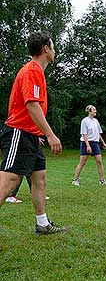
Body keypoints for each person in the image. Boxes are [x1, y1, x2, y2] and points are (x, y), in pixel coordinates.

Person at [0, 31, 66, 234]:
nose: (55, 51)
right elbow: (32, 106)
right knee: (9, 181)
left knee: (40, 178)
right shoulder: (32, 71)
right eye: (53, 47)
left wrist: (38, 133)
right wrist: (49, 134)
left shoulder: (36, 71)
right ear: (46, 49)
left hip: (30, 135)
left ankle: (42, 224)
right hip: (19, 134)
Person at [72, 105, 106, 186]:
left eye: (95, 109)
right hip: (85, 143)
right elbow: (84, 134)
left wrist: (103, 142)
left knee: (99, 161)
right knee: (82, 162)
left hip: (95, 143)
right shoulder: (84, 121)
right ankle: (75, 180)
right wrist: (88, 146)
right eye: (94, 110)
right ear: (89, 111)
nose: (96, 111)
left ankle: (102, 180)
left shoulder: (96, 121)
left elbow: (98, 133)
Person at [5, 138, 49, 203]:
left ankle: (37, 192)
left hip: (29, 142)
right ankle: (10, 195)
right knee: (18, 170)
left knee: (32, 168)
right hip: (18, 142)